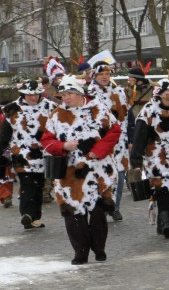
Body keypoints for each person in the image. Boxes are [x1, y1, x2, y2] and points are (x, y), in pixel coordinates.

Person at [41, 75, 121, 264]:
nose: (66, 98)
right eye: (63, 94)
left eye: (70, 94)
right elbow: (46, 140)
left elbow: (114, 132)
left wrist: (96, 151)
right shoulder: (56, 114)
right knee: (73, 213)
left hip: (98, 170)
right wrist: (63, 146)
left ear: (79, 93)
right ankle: (80, 251)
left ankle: (99, 247)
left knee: (98, 212)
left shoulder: (98, 109)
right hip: (70, 173)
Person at [129, 78, 169, 239]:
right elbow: (139, 136)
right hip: (156, 155)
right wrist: (136, 161)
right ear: (161, 95)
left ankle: (161, 221)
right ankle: (167, 222)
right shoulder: (149, 110)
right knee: (163, 185)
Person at [84, 53, 132, 222]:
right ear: (94, 76)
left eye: (107, 74)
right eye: (101, 74)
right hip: (98, 144)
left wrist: (130, 138)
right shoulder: (88, 94)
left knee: (118, 175)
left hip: (119, 141)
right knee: (101, 176)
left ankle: (115, 207)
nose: (105, 77)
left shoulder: (119, 92)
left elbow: (128, 115)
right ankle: (102, 207)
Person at [8, 79, 52, 230]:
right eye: (29, 95)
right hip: (20, 154)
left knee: (39, 185)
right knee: (27, 184)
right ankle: (26, 214)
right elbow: (4, 133)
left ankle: (34, 217)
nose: (33, 97)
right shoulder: (12, 108)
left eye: (36, 94)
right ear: (23, 94)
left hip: (42, 153)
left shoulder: (50, 106)